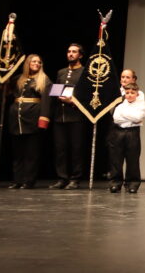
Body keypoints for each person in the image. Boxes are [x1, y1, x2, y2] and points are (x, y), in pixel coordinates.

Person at [8, 54, 51, 189]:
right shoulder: (18, 79)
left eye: (39, 62)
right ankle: (17, 180)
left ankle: (28, 180)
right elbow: (6, 89)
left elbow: (47, 101)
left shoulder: (44, 80)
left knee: (31, 153)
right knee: (17, 153)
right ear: (27, 63)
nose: (37, 64)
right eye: (34, 61)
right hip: (17, 119)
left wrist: (43, 119)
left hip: (33, 118)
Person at [50, 43, 87, 190]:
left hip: (76, 116)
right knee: (60, 149)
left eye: (74, 52)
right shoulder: (61, 72)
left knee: (76, 149)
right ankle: (62, 178)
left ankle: (75, 178)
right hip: (60, 116)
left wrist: (73, 101)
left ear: (80, 55)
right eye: (69, 51)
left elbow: (86, 94)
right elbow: (57, 90)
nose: (71, 54)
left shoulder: (84, 72)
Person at [109, 82, 145, 193]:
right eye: (127, 92)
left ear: (137, 94)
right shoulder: (120, 105)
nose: (129, 95)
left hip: (132, 132)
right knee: (116, 158)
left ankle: (132, 183)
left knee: (133, 159)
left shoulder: (140, 106)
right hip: (118, 132)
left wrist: (125, 115)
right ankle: (116, 183)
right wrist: (132, 117)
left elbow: (138, 117)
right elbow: (116, 119)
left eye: (132, 93)